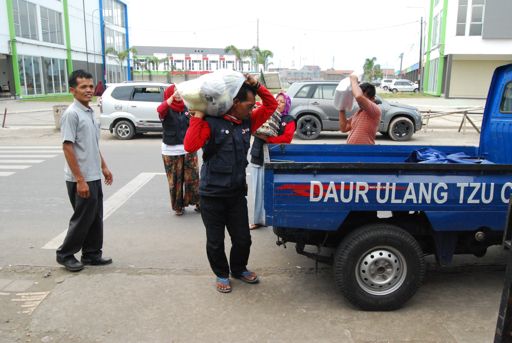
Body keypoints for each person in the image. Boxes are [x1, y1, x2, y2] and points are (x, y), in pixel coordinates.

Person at [184, 74, 277, 293]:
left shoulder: (248, 121)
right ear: (235, 103)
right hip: (212, 195)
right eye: (249, 104)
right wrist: (198, 115)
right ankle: (221, 274)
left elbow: (271, 105)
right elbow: (190, 145)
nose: (253, 108)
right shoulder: (210, 122)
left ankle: (238, 268)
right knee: (215, 241)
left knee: (243, 238)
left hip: (235, 194)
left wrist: (256, 85)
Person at [56, 70, 113, 272]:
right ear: (73, 90)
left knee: (95, 217)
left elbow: (92, 146)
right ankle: (65, 254)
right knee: (82, 219)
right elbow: (67, 147)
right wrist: (80, 179)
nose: (89, 90)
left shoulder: (89, 112)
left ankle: (91, 254)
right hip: (80, 178)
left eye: (90, 86)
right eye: (83, 87)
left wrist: (104, 167)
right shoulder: (72, 114)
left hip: (93, 175)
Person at [249, 92, 295, 230]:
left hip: (275, 157)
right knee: (257, 190)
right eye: (277, 100)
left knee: (273, 190)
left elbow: (287, 139)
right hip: (258, 156)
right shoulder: (264, 113)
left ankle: (272, 219)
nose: (279, 103)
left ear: (287, 104)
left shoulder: (289, 119)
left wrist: (268, 139)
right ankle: (258, 220)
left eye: (282, 101)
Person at [157, 85, 200, 216]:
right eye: (174, 92)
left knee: (193, 178)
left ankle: (198, 202)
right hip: (171, 150)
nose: (177, 94)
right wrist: (171, 98)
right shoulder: (166, 109)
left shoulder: (187, 107)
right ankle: (178, 206)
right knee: (175, 181)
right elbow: (160, 109)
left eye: (179, 92)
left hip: (188, 148)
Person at [339, 74, 382, 144]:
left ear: (372, 99)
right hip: (353, 151)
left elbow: (359, 96)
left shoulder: (375, 110)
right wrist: (341, 108)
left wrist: (353, 80)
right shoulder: (359, 113)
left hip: (365, 152)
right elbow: (344, 128)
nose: (359, 102)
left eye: (364, 99)